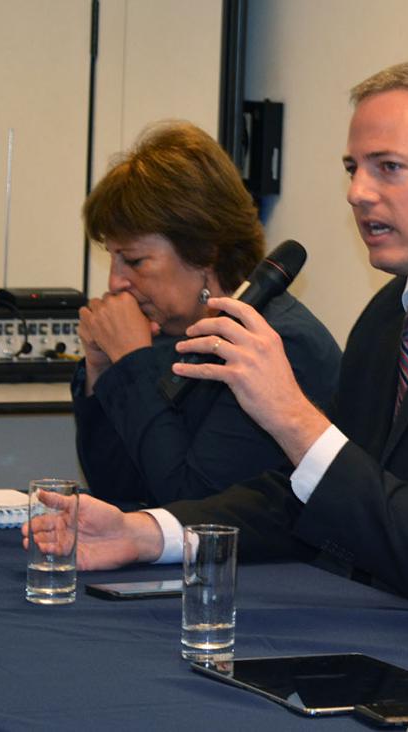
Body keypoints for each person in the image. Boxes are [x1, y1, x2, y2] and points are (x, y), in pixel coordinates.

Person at [30, 62, 408, 617]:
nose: (357, 193)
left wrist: (292, 417)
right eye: (353, 169)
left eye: (388, 167)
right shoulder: (391, 314)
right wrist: (146, 533)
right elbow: (307, 499)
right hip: (379, 623)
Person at [73, 121, 341, 507]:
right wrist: (102, 368)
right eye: (112, 259)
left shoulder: (278, 345)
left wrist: (131, 363)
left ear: (204, 252)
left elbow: (195, 506)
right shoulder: (175, 334)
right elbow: (118, 492)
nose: (115, 282)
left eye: (134, 260)